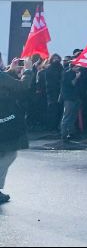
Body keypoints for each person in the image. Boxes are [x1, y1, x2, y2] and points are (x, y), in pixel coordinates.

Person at [0, 64, 32, 205]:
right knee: (9, 154)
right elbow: (23, 86)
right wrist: (28, 70)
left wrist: (9, 71)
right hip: (5, 119)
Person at [60, 64, 82, 141]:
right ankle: (64, 134)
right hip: (69, 98)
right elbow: (72, 83)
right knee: (67, 116)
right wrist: (76, 77)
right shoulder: (67, 73)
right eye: (76, 67)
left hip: (76, 97)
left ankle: (71, 132)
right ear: (72, 67)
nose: (78, 68)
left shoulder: (76, 72)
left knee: (73, 116)